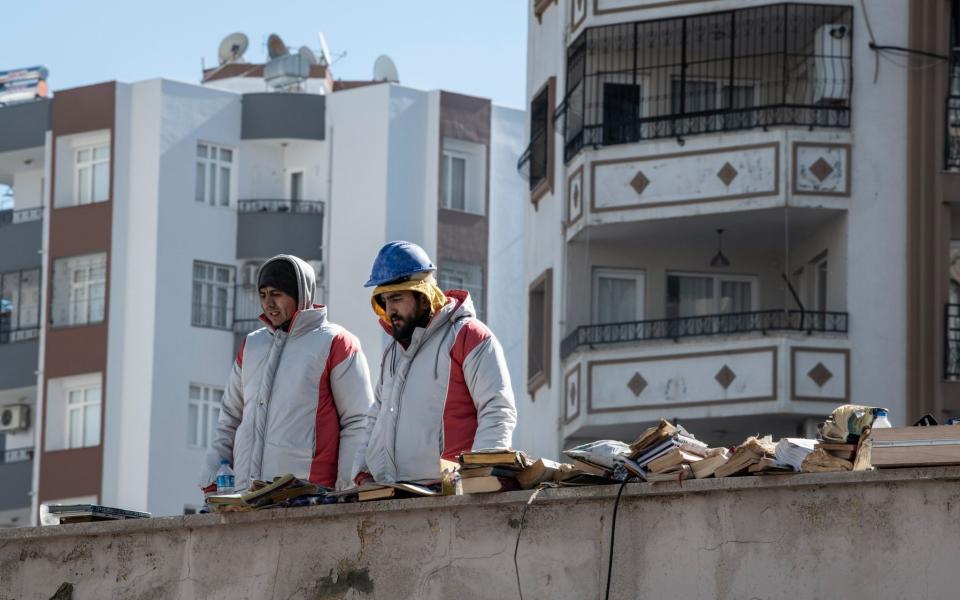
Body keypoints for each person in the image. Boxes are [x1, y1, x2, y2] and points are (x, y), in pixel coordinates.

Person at [201, 254, 375, 493]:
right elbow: (230, 418)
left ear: (300, 294)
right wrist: (212, 474)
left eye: (277, 294)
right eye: (263, 295)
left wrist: (346, 488)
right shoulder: (252, 346)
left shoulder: (335, 342)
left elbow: (358, 420)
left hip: (308, 495)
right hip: (248, 495)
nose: (268, 304)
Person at [357, 241, 517, 484]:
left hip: (448, 493)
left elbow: (497, 409)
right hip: (394, 494)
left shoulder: (468, 336)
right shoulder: (393, 353)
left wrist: (479, 479)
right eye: (385, 301)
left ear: (424, 297)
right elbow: (376, 417)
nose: (390, 310)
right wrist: (361, 472)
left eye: (397, 298)